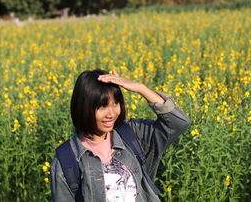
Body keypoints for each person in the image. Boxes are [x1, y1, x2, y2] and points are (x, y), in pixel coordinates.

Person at [50, 69, 190, 201]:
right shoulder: (66, 160)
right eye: (103, 106)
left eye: (115, 103)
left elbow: (178, 122)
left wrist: (140, 88)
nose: (111, 114)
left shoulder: (133, 135)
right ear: (83, 108)